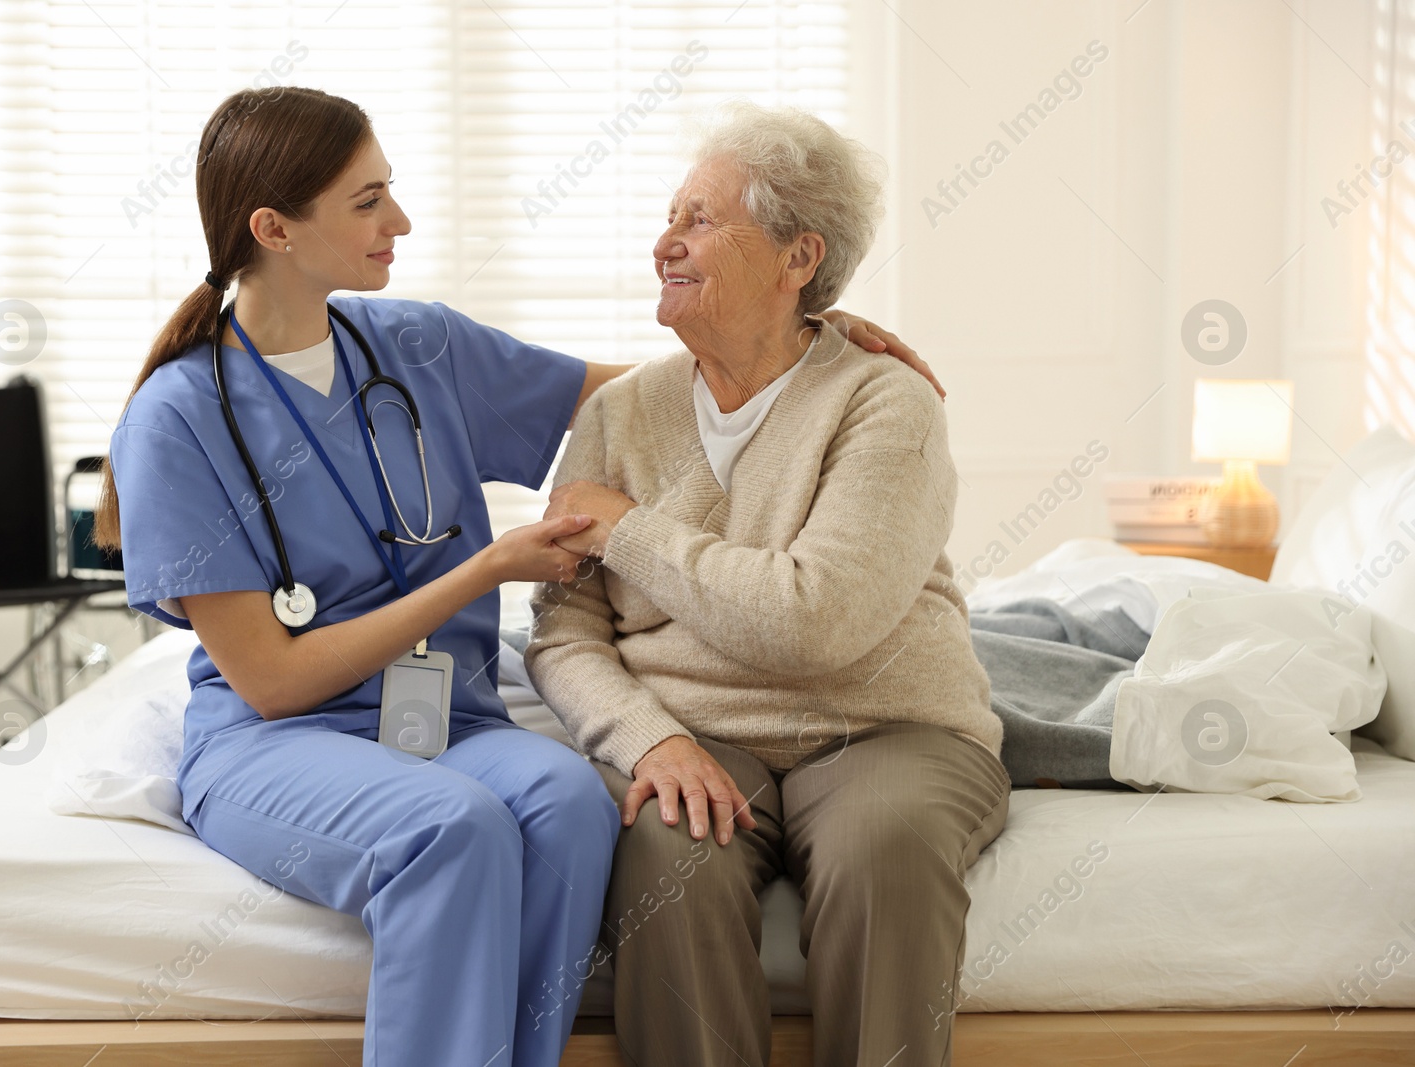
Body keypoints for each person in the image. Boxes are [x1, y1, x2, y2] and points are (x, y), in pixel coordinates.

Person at [94, 87, 928, 1067]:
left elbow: (648, 396)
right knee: (450, 826)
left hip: (449, 718)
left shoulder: (418, 348)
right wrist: (484, 569)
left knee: (569, 802)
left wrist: (808, 336)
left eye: (390, 192)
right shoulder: (178, 420)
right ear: (274, 228)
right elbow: (273, 680)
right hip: (280, 742)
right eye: (366, 202)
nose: (398, 220)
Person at [525, 101, 1010, 1067]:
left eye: (700, 219)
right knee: (664, 845)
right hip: (693, 730)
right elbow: (561, 632)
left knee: (887, 845)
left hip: (883, 724)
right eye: (669, 216)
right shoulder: (621, 413)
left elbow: (814, 621)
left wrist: (630, 529)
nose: (666, 240)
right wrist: (647, 735)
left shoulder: (884, 401)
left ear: (798, 260)